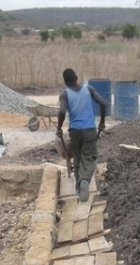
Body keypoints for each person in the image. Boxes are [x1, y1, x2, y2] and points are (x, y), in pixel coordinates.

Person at [56, 68, 106, 202]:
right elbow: (102, 102)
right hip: (89, 129)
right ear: (77, 78)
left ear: (65, 82)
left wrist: (59, 127)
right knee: (89, 157)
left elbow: (61, 111)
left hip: (75, 131)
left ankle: (79, 186)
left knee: (77, 156)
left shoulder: (64, 94)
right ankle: (85, 180)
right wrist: (102, 122)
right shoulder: (88, 89)